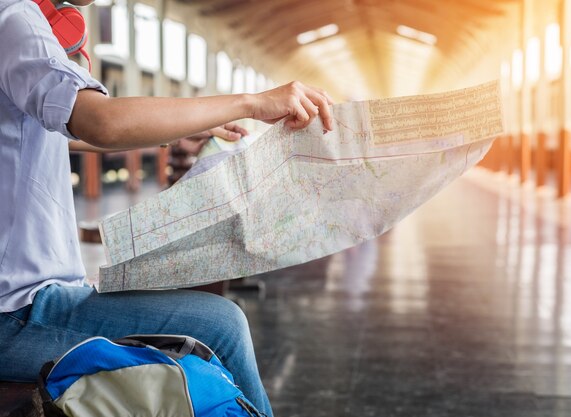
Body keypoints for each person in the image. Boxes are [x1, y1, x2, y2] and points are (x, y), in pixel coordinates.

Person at [0, 0, 334, 415]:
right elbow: (98, 121)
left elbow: (50, 129)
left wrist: (193, 123)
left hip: (26, 301)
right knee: (220, 326)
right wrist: (252, 103)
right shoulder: (14, 16)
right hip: (16, 314)